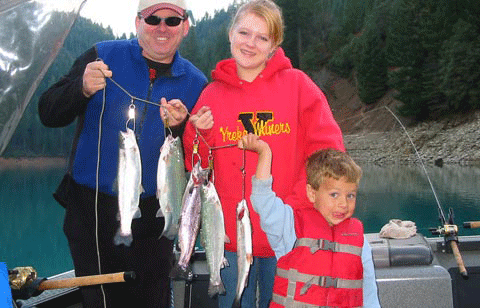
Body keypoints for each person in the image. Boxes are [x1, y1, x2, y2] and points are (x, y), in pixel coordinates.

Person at [38, 1, 207, 307]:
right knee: (100, 301)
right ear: (137, 21)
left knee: (153, 300)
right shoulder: (102, 56)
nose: (161, 27)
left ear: (185, 26)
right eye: (153, 18)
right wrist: (81, 88)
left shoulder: (196, 83)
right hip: (90, 212)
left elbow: (201, 159)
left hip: (156, 217)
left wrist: (181, 128)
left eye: (172, 20)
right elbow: (47, 112)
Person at [183, 0, 345, 306]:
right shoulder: (211, 94)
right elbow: (197, 172)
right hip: (229, 241)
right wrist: (198, 133)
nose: (250, 43)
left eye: (262, 37)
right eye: (244, 32)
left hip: (289, 235)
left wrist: (297, 206)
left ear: (273, 46)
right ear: (230, 34)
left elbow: (330, 155)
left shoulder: (299, 86)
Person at [240, 134, 381, 307]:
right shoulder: (290, 227)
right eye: (334, 194)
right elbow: (263, 200)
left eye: (350, 195)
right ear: (312, 193)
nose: (344, 204)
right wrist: (264, 152)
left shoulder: (359, 242)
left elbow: (369, 296)